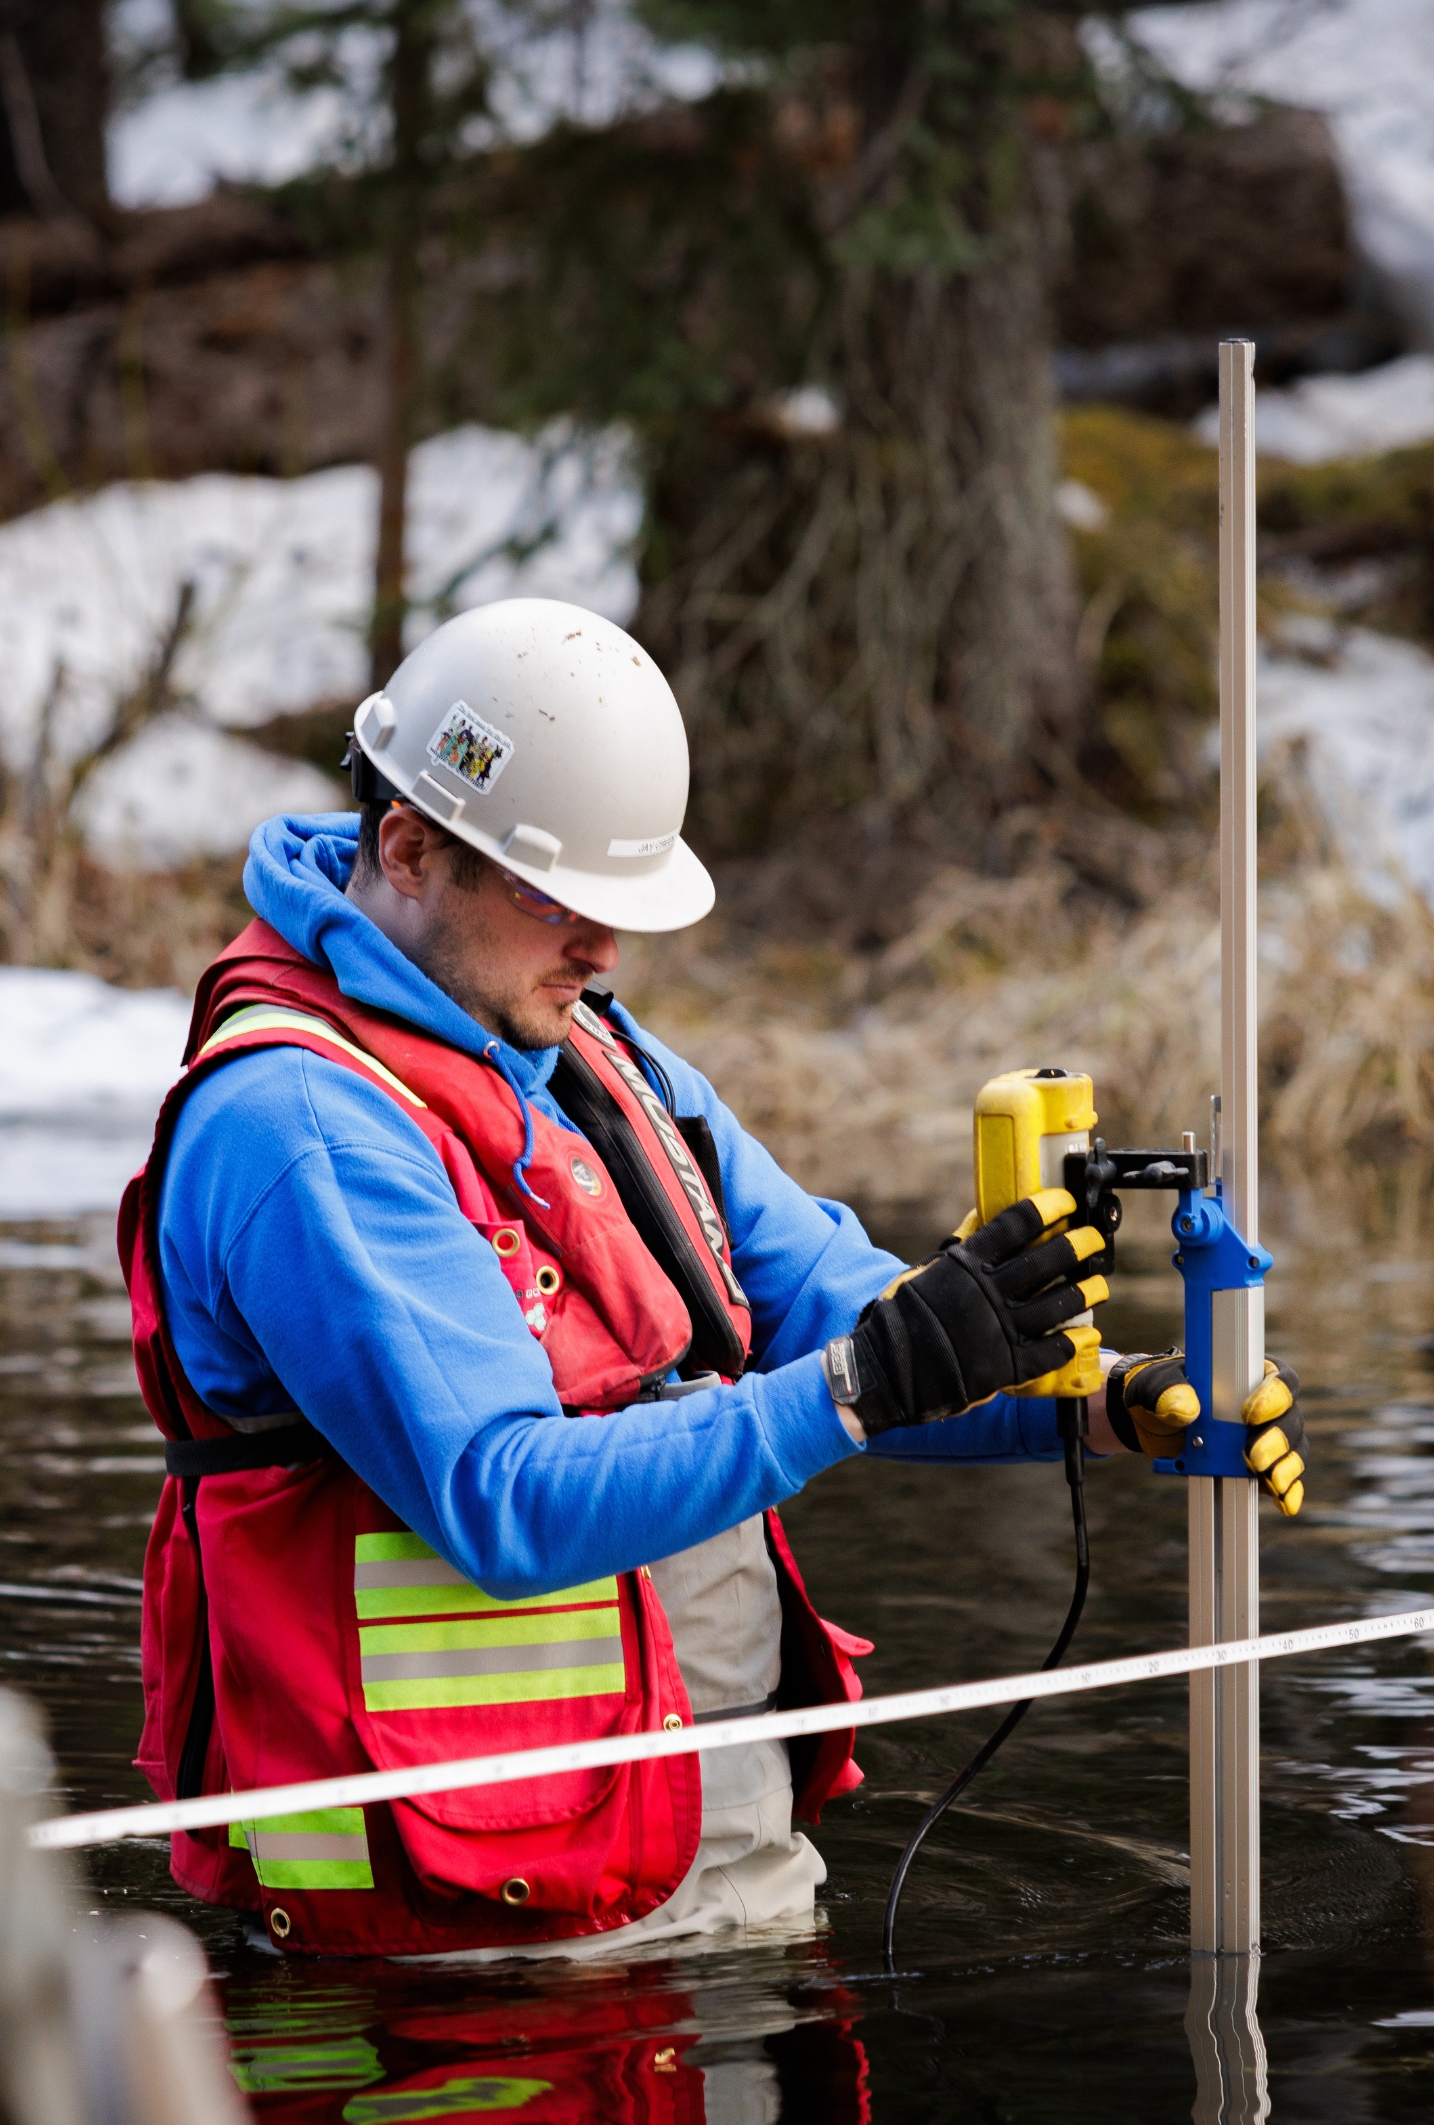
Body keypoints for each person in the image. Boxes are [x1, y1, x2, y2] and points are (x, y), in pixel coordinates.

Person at [119, 597, 1306, 1960]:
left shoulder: (590, 1048)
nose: (606, 951)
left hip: (703, 1856)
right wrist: (859, 1388)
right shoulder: (304, 1125)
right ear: (407, 849)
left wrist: (1096, 1401)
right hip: (456, 1939)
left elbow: (833, 1308)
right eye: (563, 900)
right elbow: (504, 1500)